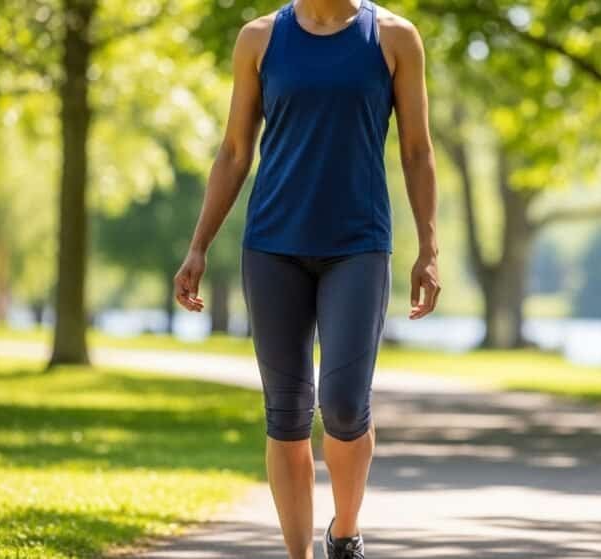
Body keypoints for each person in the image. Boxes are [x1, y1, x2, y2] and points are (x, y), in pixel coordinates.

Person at [173, 0, 440, 557]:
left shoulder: (393, 38)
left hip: (358, 247)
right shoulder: (259, 39)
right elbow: (233, 151)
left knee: (344, 404)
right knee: (287, 415)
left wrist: (428, 246)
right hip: (272, 247)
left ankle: (345, 532)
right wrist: (198, 245)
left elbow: (417, 151)